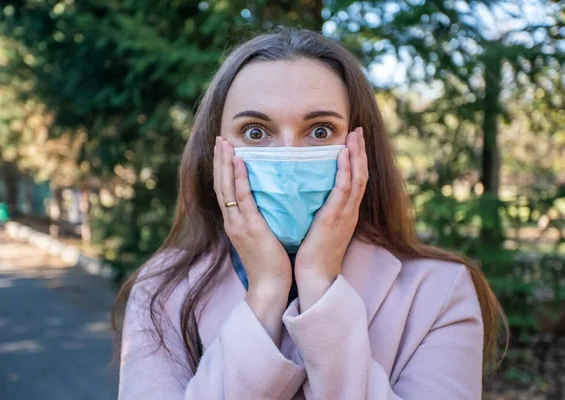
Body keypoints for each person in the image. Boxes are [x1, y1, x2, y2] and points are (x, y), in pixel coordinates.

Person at [114, 27, 505, 399]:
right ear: (214, 152)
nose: (289, 156)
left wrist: (319, 283)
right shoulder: (161, 289)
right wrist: (266, 291)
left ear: (360, 147)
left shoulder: (440, 291)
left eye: (319, 131)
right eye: (254, 131)